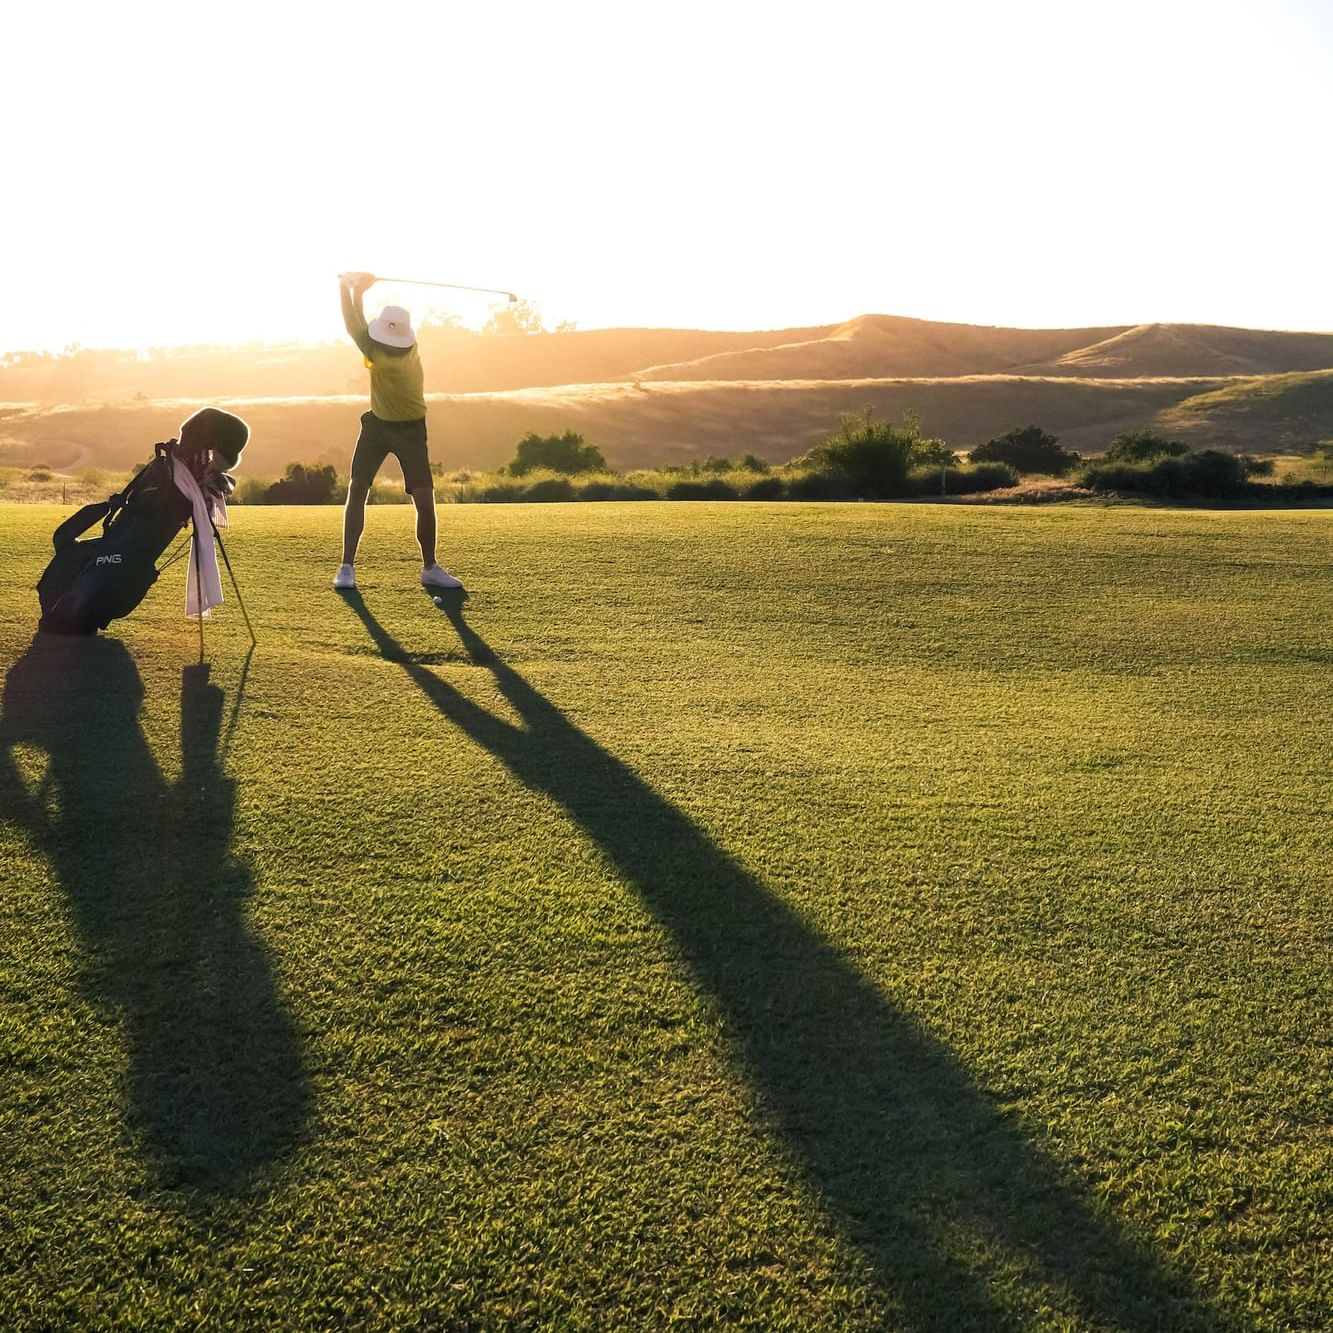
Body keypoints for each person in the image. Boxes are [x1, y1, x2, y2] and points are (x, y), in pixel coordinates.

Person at [333, 273, 462, 591]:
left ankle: (429, 568)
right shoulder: (408, 345)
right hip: (379, 426)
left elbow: (353, 323)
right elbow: (357, 324)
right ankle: (347, 567)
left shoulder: (376, 350)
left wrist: (350, 288)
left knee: (421, 499)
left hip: (409, 431)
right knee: (359, 489)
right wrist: (356, 291)